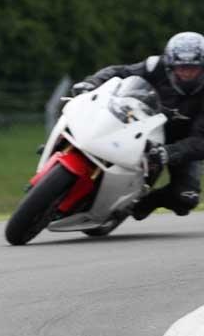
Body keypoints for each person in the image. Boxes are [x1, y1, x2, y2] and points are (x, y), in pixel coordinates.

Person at [71, 31, 204, 220]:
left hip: (183, 142)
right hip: (140, 122)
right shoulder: (154, 66)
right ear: (169, 65)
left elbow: (201, 141)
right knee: (82, 113)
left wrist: (170, 152)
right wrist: (92, 83)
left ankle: (142, 202)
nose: (186, 72)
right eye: (181, 67)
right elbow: (120, 71)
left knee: (186, 198)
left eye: (193, 68)